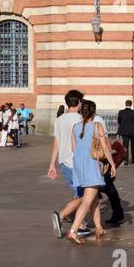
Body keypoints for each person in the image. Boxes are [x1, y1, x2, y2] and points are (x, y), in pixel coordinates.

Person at [66, 99, 116, 244]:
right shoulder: (97, 126)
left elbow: (74, 148)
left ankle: (99, 228)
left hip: (78, 163)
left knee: (93, 198)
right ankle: (73, 231)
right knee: (87, 200)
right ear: (93, 112)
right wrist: (112, 164)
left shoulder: (75, 126)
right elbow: (105, 147)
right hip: (91, 164)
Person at [49, 89, 85, 239]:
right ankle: (62, 215)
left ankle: (80, 224)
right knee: (85, 196)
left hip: (63, 162)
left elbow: (56, 143)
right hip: (76, 162)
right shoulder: (80, 119)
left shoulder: (59, 119)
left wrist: (52, 164)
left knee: (79, 193)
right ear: (79, 102)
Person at [117, 99, 134, 164]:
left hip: (124, 131)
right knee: (133, 145)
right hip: (132, 131)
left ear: (125, 104)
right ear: (131, 104)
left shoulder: (121, 112)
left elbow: (119, 121)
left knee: (125, 146)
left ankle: (126, 160)